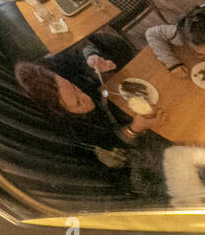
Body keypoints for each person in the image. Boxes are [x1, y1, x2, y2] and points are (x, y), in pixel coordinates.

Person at [14, 36, 166, 178]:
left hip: (116, 99)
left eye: (75, 88)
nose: (86, 98)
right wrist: (134, 129)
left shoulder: (54, 66)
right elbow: (111, 141)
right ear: (62, 112)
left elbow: (83, 48)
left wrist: (91, 58)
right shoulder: (73, 129)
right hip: (124, 133)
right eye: (78, 103)